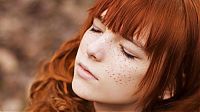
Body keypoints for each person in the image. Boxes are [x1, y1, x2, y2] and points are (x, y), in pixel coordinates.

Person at [26, 0, 200, 112]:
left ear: (168, 86)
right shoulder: (54, 98)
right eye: (96, 28)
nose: (93, 50)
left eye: (127, 51)